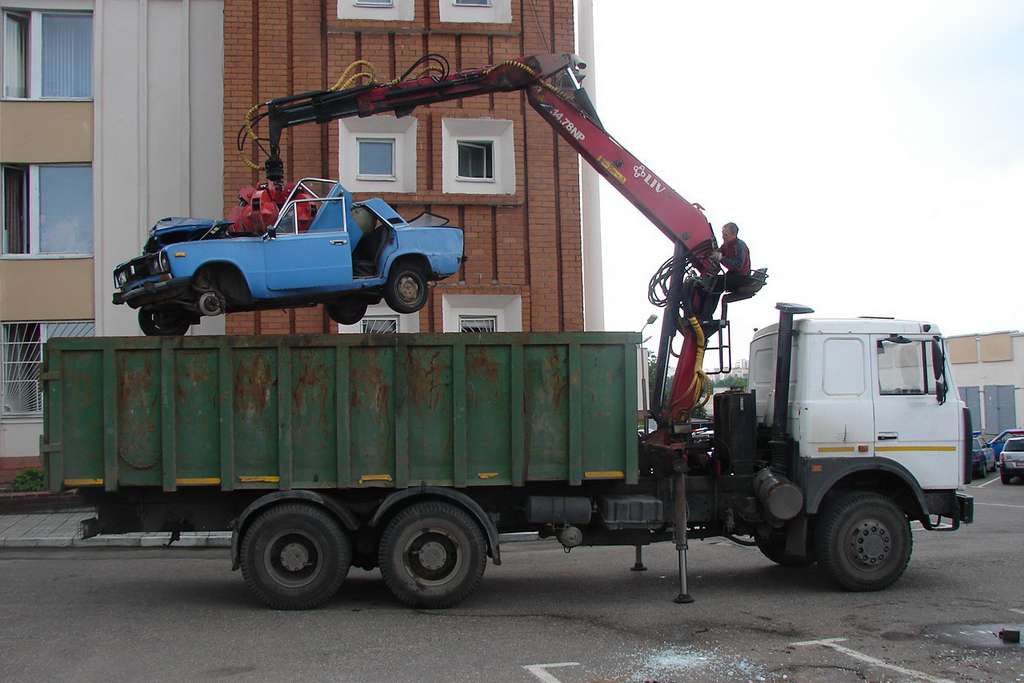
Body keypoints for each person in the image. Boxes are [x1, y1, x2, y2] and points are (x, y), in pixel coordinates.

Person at [711, 222, 751, 292]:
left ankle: (709, 299)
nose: (723, 237)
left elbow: (738, 266)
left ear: (734, 235)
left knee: (717, 282)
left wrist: (721, 258)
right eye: (723, 234)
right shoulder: (726, 245)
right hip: (732, 275)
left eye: (725, 235)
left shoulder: (739, 245)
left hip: (741, 277)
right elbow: (719, 252)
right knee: (712, 279)